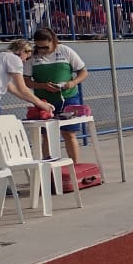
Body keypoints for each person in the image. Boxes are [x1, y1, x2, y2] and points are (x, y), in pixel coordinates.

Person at [0, 39, 54, 165]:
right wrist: (41, 104)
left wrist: (33, 102)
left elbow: (14, 89)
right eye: (27, 57)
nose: (25, 61)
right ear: (22, 51)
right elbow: (22, 88)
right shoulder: (13, 59)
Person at [25, 29, 88, 164]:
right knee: (46, 135)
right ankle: (49, 168)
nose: (42, 50)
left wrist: (72, 83)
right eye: (39, 47)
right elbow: (26, 81)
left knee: (68, 133)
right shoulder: (32, 57)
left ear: (53, 41)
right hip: (44, 101)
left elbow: (83, 72)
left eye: (45, 47)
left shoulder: (65, 51)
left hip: (68, 98)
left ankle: (75, 165)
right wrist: (43, 86)